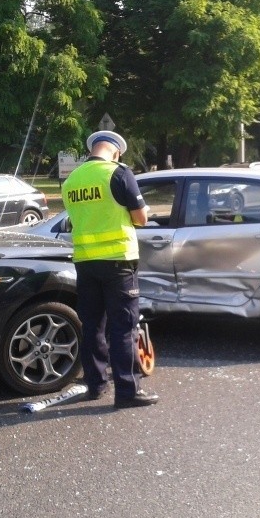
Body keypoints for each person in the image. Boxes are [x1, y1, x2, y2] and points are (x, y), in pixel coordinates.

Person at [61, 130, 159, 409]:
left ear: (94, 149)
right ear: (116, 152)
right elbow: (140, 218)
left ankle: (95, 385)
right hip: (118, 261)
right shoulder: (118, 173)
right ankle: (128, 392)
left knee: (92, 325)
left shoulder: (71, 181)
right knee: (123, 327)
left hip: (85, 261)